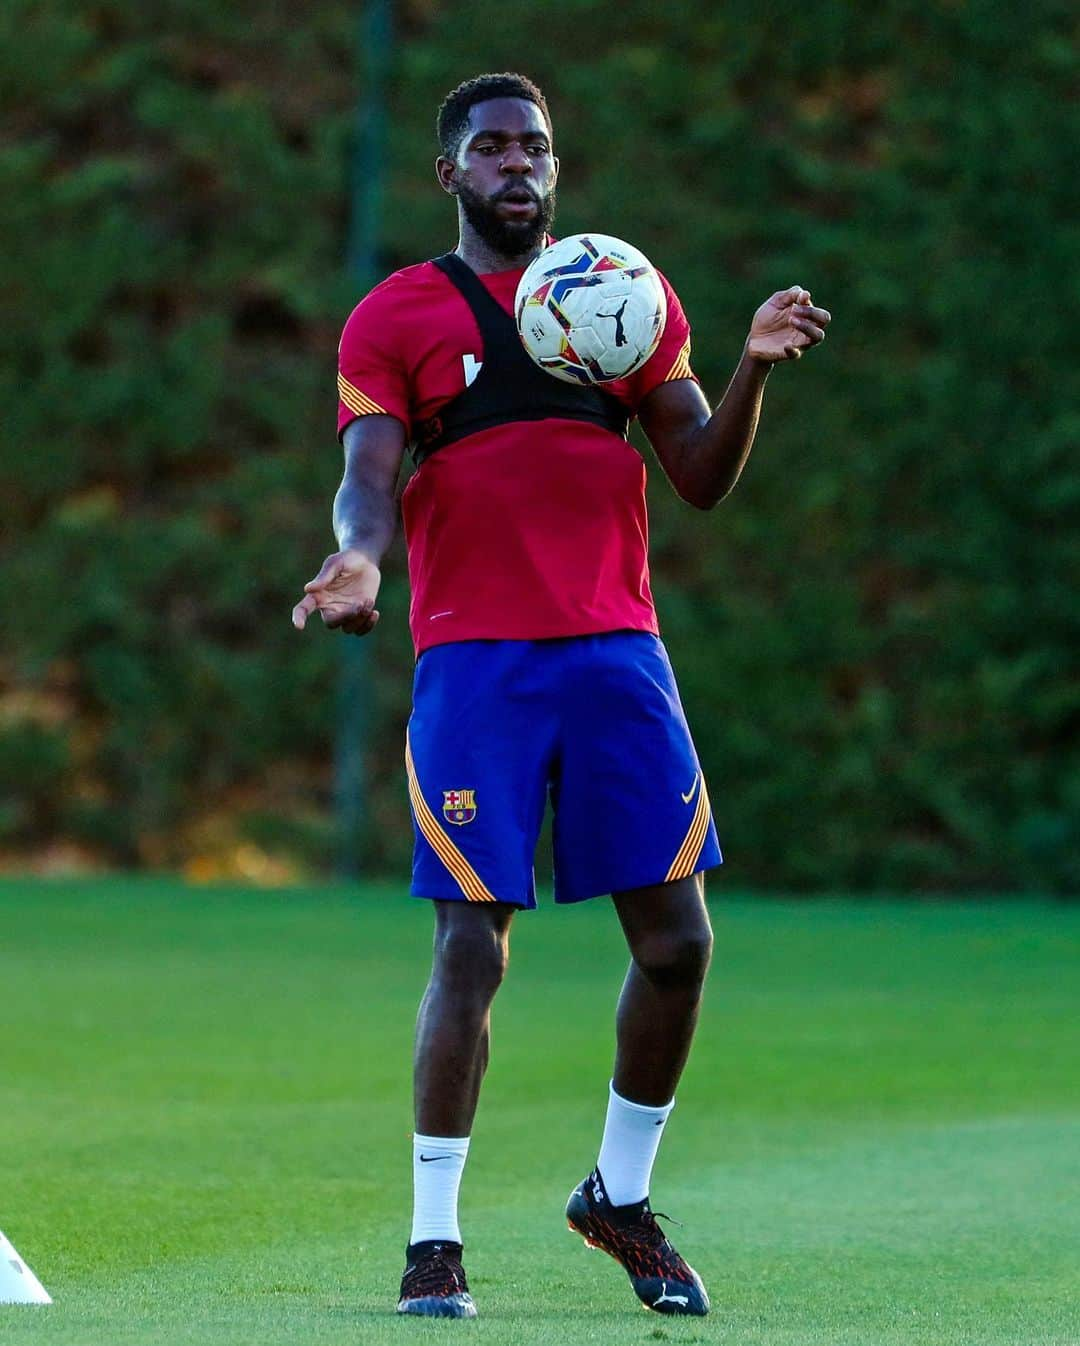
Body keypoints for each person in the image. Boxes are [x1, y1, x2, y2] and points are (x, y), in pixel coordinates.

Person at [292, 72, 830, 1320]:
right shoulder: (399, 316)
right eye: (491, 149)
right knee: (473, 942)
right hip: (478, 661)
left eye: (534, 146)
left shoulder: (625, 297)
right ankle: (435, 1240)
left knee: (682, 941)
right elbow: (369, 476)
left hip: (616, 654)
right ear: (450, 174)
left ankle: (619, 1197)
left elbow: (696, 472)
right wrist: (361, 557)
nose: (517, 165)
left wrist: (747, 368)